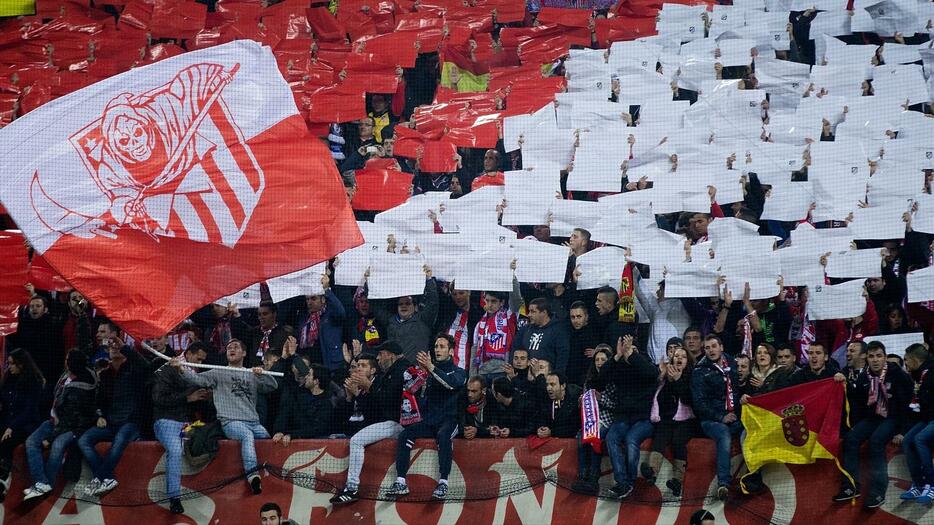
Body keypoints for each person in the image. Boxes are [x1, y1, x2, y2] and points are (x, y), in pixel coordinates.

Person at [172, 339, 278, 495]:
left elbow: (272, 386)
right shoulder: (218, 372)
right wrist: (180, 369)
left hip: (254, 422)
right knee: (247, 436)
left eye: (236, 347)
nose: (231, 349)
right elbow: (197, 379)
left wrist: (262, 375)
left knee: (267, 439)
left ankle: (272, 477)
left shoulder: (251, 374)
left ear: (244, 353)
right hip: (231, 422)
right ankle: (253, 476)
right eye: (228, 347)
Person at [331, 341, 411, 505]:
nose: (379, 358)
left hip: (399, 422)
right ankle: (351, 488)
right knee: (355, 439)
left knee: (356, 441)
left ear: (390, 355)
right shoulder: (393, 371)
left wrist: (368, 387)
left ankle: (352, 488)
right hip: (392, 421)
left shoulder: (401, 370)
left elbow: (388, 402)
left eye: (381, 354)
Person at [388, 334, 467, 499]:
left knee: (443, 436)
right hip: (430, 420)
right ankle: (401, 481)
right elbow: (416, 393)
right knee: (404, 435)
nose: (438, 350)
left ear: (451, 351)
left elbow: (450, 384)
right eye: (436, 346)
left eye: (442, 347)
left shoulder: (460, 372)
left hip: (450, 420)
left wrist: (431, 368)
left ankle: (443, 482)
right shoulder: (428, 372)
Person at [834, 342, 912, 508]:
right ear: (866, 358)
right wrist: (843, 381)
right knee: (851, 439)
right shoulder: (864, 376)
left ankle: (878, 492)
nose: (875, 360)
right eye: (871, 356)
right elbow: (855, 399)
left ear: (885, 357)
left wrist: (903, 431)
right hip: (873, 418)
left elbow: (907, 404)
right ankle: (851, 486)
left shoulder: (898, 374)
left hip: (893, 418)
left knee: (876, 441)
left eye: (879, 356)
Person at [78, 335, 150, 497]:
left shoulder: (134, 369)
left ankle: (98, 477)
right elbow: (99, 402)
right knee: (84, 440)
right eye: (111, 347)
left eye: (118, 347)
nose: (114, 348)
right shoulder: (104, 375)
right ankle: (107, 477)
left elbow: (146, 366)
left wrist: (124, 347)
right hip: (110, 422)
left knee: (120, 439)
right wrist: (99, 416)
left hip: (132, 422)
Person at [23, 349, 98, 501]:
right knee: (31, 441)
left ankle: (47, 484)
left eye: (68, 359)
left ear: (73, 362)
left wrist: (50, 438)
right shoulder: (65, 377)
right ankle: (41, 482)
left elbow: (70, 420)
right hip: (54, 421)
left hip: (75, 426)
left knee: (57, 445)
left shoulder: (83, 385)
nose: (65, 361)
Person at [592, 335, 658, 499]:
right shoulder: (619, 368)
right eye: (626, 349)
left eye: (632, 350)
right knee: (612, 437)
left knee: (631, 439)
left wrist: (632, 355)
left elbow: (651, 373)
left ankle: (630, 481)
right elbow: (599, 382)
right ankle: (622, 482)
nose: (628, 354)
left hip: (643, 419)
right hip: (622, 418)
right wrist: (616, 356)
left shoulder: (646, 365)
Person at [151, 341, 210, 514]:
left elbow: (194, 403)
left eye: (202, 361)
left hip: (187, 423)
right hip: (166, 421)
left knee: (209, 436)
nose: (199, 364)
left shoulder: (196, 375)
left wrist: (206, 400)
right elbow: (158, 399)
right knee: (175, 450)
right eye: (198, 360)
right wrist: (188, 398)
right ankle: (174, 498)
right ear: (188, 354)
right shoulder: (166, 369)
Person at [692, 335, 741, 501]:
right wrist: (721, 417)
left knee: (751, 431)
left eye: (714, 346)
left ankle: (753, 477)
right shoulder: (699, 371)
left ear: (721, 347)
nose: (711, 350)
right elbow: (699, 403)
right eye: (707, 348)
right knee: (723, 434)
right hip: (711, 420)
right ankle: (724, 484)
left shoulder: (733, 363)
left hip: (735, 416)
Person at [644, 346, 696, 497]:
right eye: (676, 356)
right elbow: (662, 400)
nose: (679, 358)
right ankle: (651, 473)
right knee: (660, 436)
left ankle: (677, 482)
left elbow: (688, 399)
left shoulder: (693, 376)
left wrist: (679, 380)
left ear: (688, 361)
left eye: (683, 356)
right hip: (667, 419)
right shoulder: (666, 378)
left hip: (688, 420)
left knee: (678, 441)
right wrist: (663, 377)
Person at [0, 349, 45, 499]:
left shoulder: (34, 382)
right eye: (9, 363)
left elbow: (29, 410)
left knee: (7, 441)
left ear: (22, 364)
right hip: (7, 421)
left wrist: (12, 427)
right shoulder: (8, 379)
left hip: (26, 424)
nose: (9, 367)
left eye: (13, 364)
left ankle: (4, 478)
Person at [371, 266, 439, 365]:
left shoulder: (423, 320)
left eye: (407, 303)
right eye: (401, 304)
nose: (404, 306)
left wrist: (429, 280)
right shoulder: (391, 321)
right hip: (395, 372)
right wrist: (369, 282)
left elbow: (433, 302)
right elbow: (375, 306)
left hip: (417, 373)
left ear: (415, 307)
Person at [572, 346, 616, 494]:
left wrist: (601, 398)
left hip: (606, 419)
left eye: (603, 359)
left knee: (593, 439)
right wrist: (581, 402)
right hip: (590, 420)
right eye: (597, 359)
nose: (599, 362)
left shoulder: (614, 379)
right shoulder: (589, 380)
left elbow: (616, 405)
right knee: (580, 440)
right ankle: (582, 476)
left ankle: (593, 478)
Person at [900, 344, 934, 504]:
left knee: (920, 439)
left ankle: (931, 484)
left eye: (906, 360)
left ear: (915, 359)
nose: (904, 363)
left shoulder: (932, 373)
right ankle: (919, 485)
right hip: (928, 419)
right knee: (907, 440)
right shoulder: (918, 375)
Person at [272, 361, 333, 443]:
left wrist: (293, 435)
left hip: (314, 446)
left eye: (309, 375)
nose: (306, 377)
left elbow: (317, 429)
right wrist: (279, 431)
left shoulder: (326, 404)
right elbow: (285, 413)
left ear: (316, 381)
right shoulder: (298, 396)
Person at [298, 273, 346, 372]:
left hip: (331, 366)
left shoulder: (331, 315)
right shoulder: (304, 319)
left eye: (313, 298)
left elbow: (341, 311)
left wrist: (327, 290)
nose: (309, 302)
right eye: (307, 299)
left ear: (323, 299)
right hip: (310, 368)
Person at [473, 284, 522, 380]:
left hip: (503, 371)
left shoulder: (509, 316)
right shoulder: (480, 324)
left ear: (502, 302)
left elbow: (516, 299)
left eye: (494, 301)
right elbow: (474, 350)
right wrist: (473, 376)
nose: (490, 305)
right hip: (483, 373)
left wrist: (512, 276)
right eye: (487, 301)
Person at [513, 298, 570, 374]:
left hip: (547, 378)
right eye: (529, 311)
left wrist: (557, 376)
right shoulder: (524, 329)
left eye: (533, 312)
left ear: (544, 312)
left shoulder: (558, 331)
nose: (529, 315)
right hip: (524, 377)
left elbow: (562, 357)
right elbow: (515, 349)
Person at [536, 372, 581, 440]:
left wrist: (552, 432)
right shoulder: (545, 399)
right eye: (547, 384)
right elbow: (541, 418)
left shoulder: (574, 401)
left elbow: (573, 427)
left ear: (563, 386)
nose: (548, 388)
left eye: (552, 384)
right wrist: (541, 428)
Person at [567, 301, 601, 386]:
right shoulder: (569, 334)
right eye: (573, 317)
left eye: (579, 316)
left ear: (586, 317)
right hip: (571, 381)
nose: (575, 320)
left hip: (584, 383)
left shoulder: (592, 335)